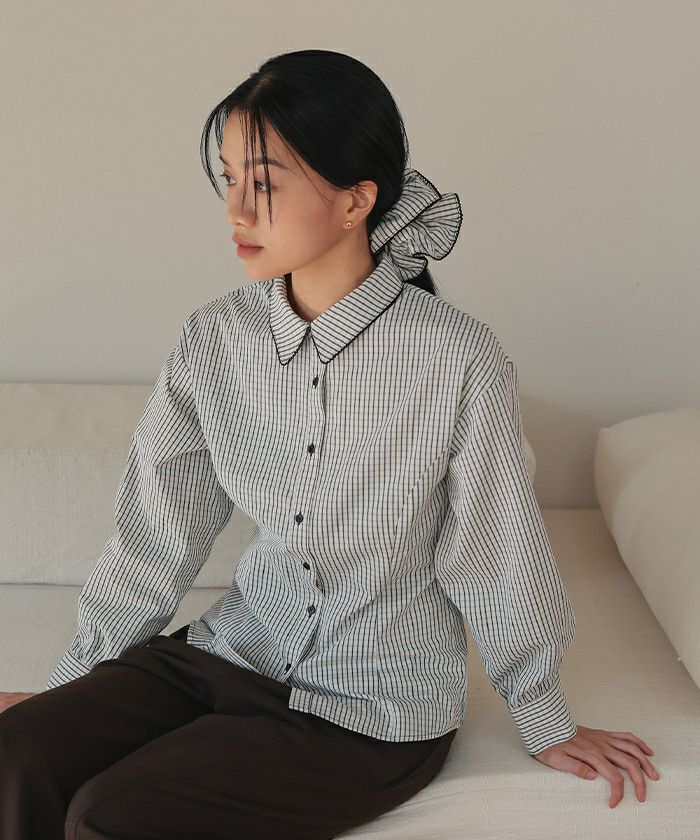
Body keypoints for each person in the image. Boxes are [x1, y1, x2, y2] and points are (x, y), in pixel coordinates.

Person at [0, 49, 659, 839]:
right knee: (17, 753)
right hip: (234, 652)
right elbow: (158, 532)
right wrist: (77, 686)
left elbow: (494, 548)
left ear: (356, 200)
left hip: (372, 708)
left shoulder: (458, 357)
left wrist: (545, 716)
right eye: (228, 180)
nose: (235, 212)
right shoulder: (214, 339)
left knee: (111, 815)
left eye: (263, 184)